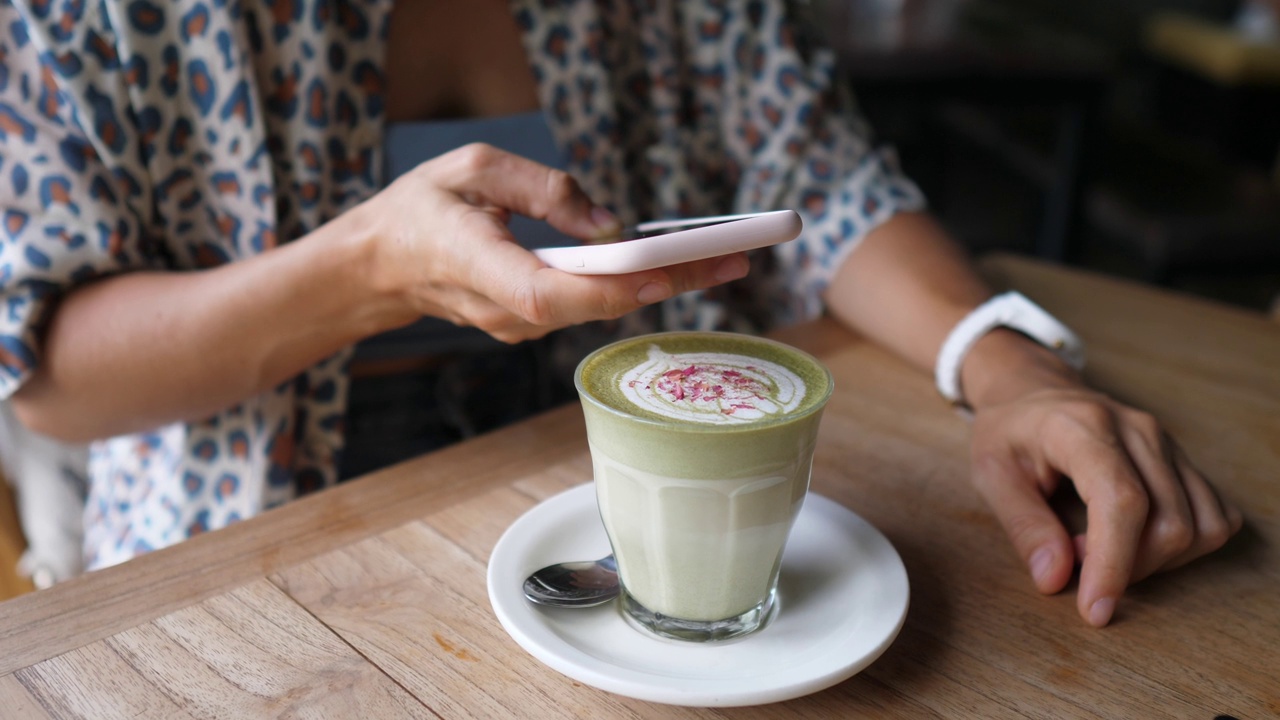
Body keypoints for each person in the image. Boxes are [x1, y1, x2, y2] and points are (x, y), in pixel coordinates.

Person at [0, 0, 1240, 627]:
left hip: (617, 481)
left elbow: (819, 175)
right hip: (264, 539)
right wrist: (364, 273)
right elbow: (44, 358)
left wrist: (1006, 363)